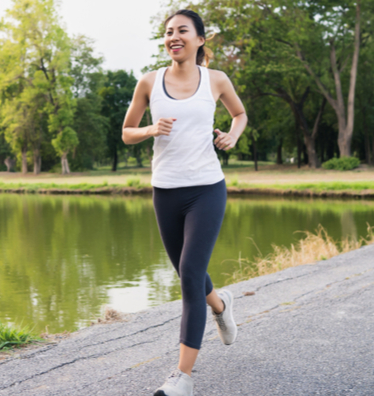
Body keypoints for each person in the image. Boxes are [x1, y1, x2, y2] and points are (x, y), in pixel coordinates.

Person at [121, 9, 247, 396]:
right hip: (166, 191)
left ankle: (182, 378)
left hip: (207, 188)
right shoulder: (149, 82)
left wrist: (232, 136)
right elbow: (127, 132)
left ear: (200, 39)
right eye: (168, 32)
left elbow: (239, 114)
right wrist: (150, 129)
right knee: (187, 273)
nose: (174, 37)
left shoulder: (216, 79)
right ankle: (221, 305)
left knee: (191, 274)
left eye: (182, 31)